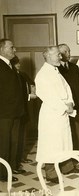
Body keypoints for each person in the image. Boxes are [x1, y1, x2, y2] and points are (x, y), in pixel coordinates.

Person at [35, 46, 78, 183]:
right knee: (51, 143)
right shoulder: (43, 74)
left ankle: (66, 167)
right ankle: (51, 173)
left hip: (62, 112)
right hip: (51, 114)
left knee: (64, 141)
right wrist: (65, 107)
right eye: (58, 55)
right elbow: (47, 96)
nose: (61, 57)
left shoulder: (56, 71)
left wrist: (70, 102)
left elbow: (67, 88)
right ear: (48, 56)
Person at [0, 39, 24, 182]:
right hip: (3, 113)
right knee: (3, 143)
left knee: (14, 141)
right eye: (11, 47)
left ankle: (12, 167)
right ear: (1, 49)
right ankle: (2, 173)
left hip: (15, 112)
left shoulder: (10, 65)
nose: (14, 49)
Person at [11, 56, 37, 172]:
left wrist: (32, 90)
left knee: (22, 135)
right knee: (15, 138)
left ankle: (21, 157)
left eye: (19, 63)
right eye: (16, 64)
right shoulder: (10, 75)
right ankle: (14, 162)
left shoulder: (22, 74)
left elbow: (32, 83)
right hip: (15, 110)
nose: (19, 65)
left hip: (24, 109)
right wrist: (28, 96)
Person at [58, 44, 79, 150]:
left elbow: (78, 87)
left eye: (69, 51)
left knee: (74, 131)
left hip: (75, 104)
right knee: (65, 132)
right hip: (64, 106)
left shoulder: (74, 67)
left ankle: (75, 154)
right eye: (65, 52)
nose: (68, 54)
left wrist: (78, 105)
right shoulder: (56, 68)